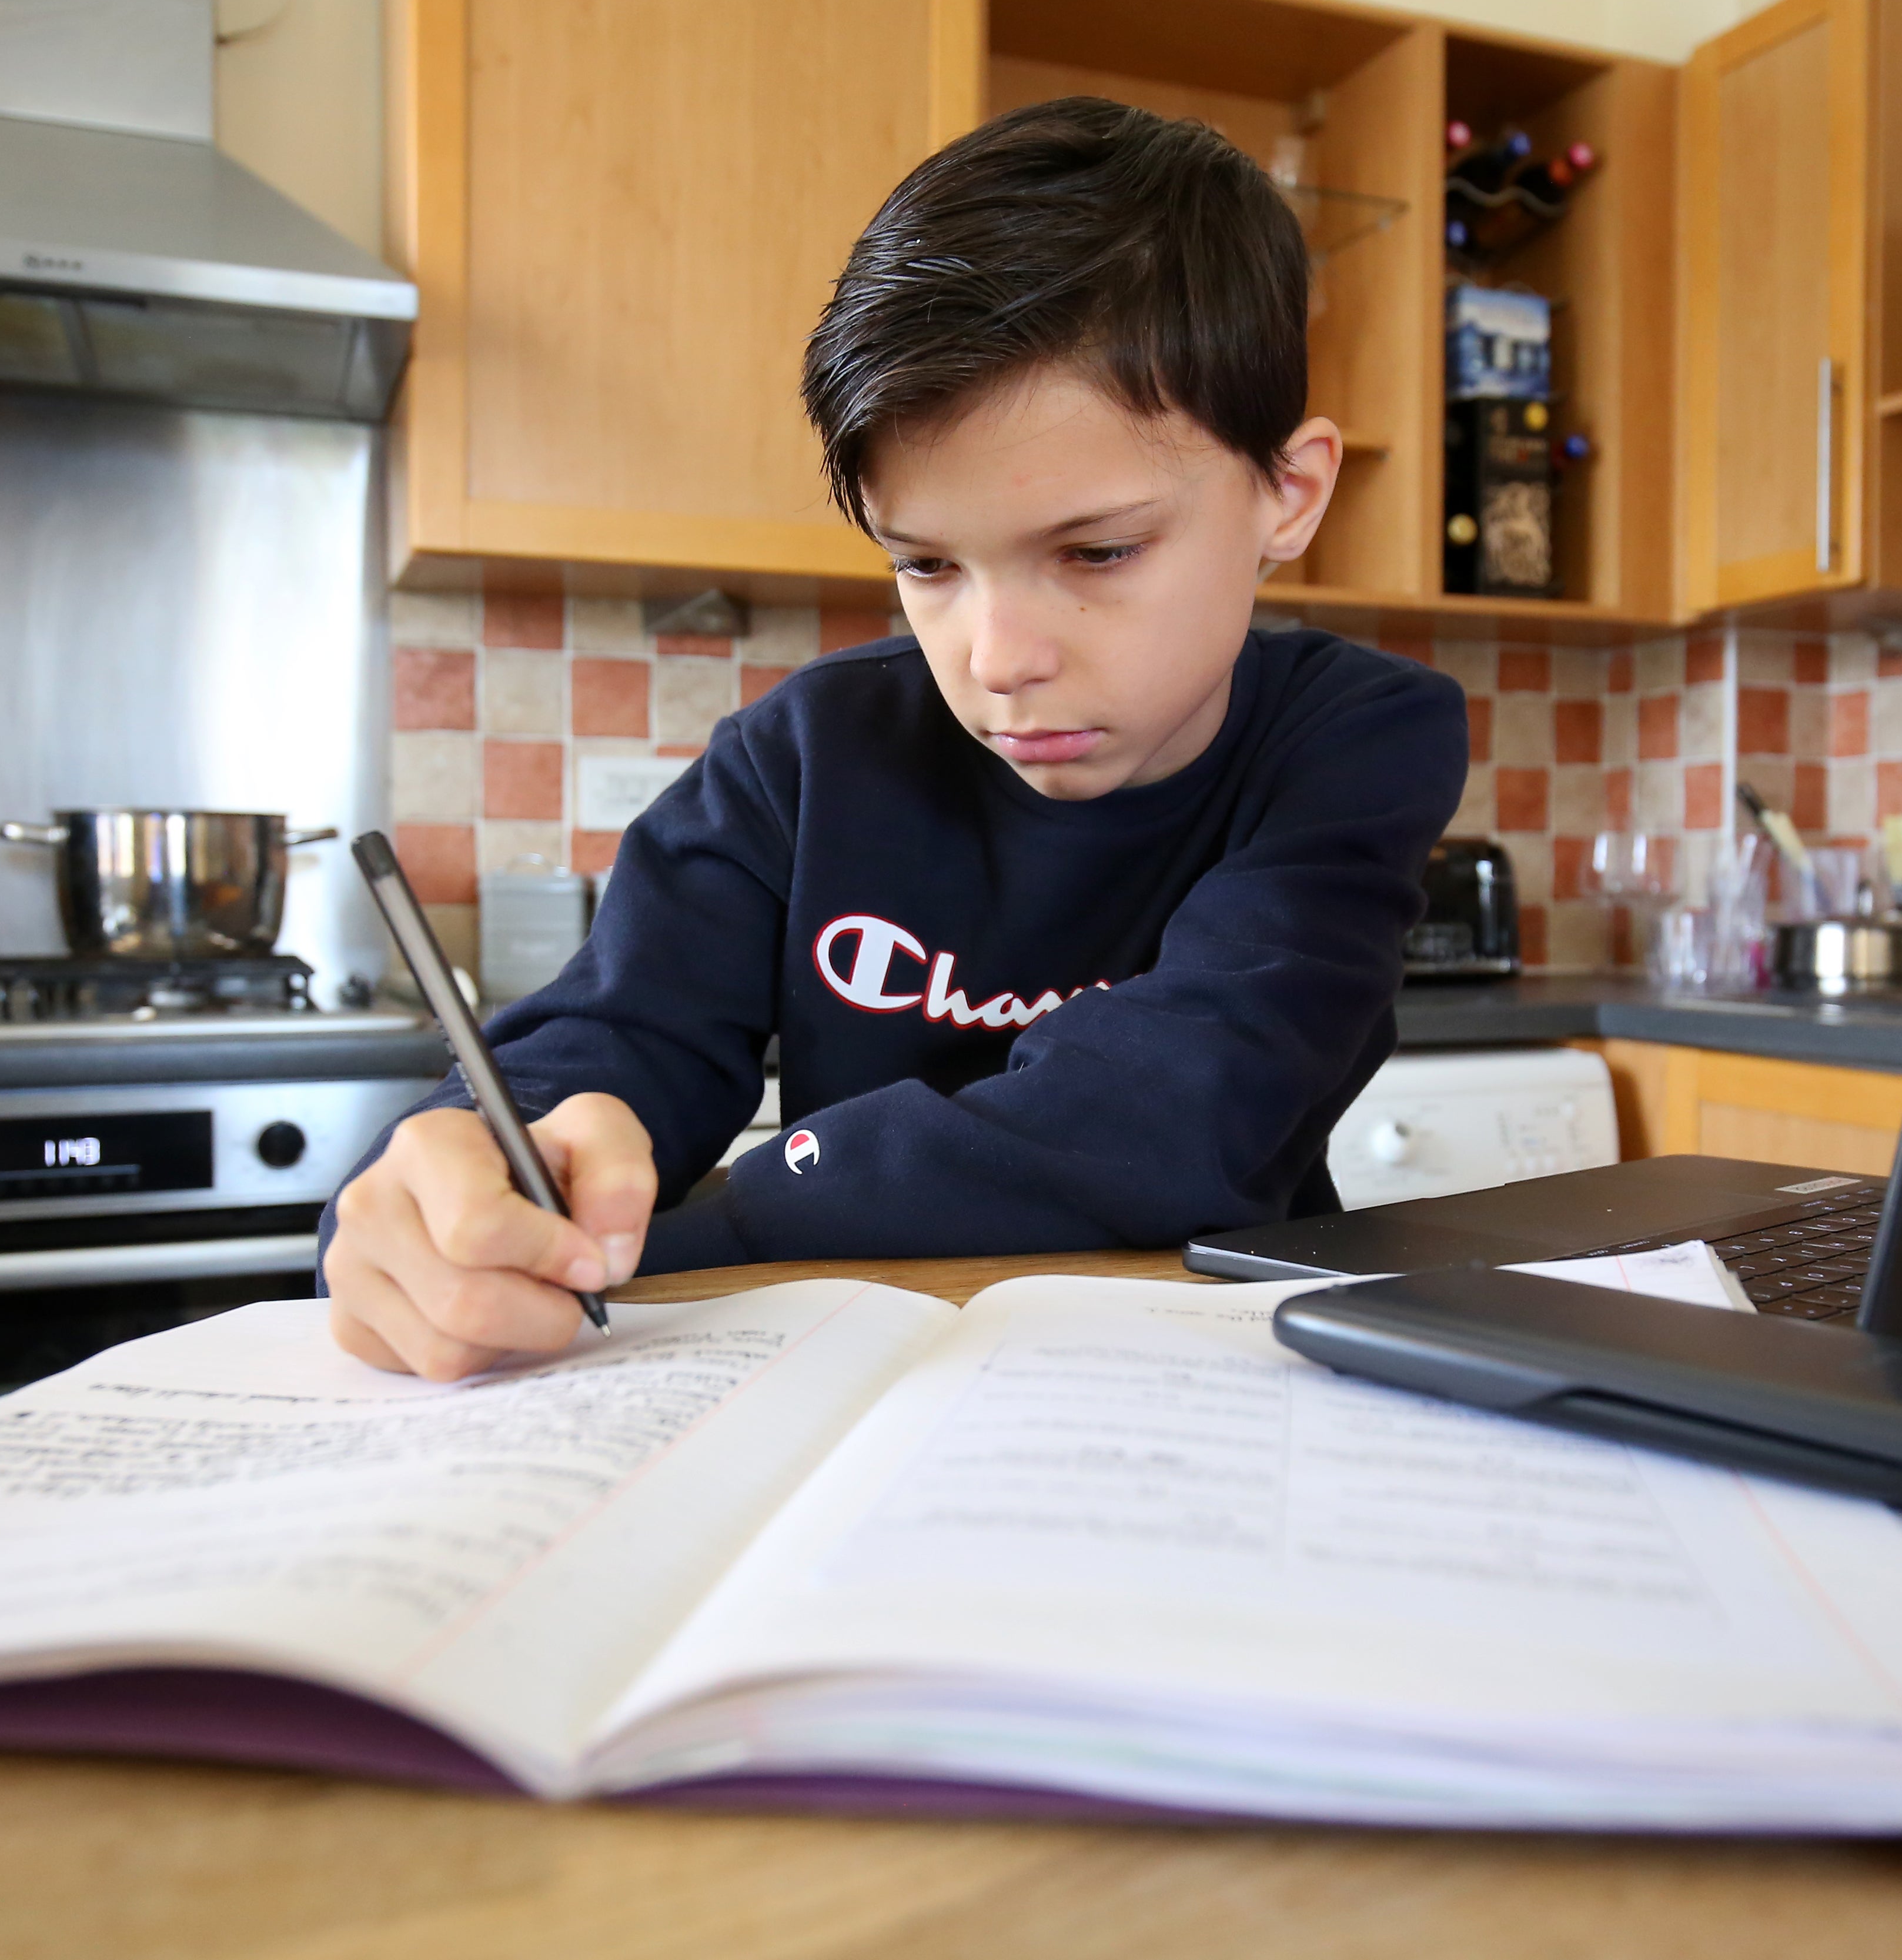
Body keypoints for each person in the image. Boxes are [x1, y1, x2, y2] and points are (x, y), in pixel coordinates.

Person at [319, 98, 1470, 1380]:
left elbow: (1177, 1114)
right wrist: (457, 1196)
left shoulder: (1360, 735)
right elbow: (611, 1041)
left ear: (1289, 496)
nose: (997, 657)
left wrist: (714, 1229)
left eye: (1096, 552)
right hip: (858, 1384)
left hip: (1210, 1390)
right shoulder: (802, 756)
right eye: (925, 564)